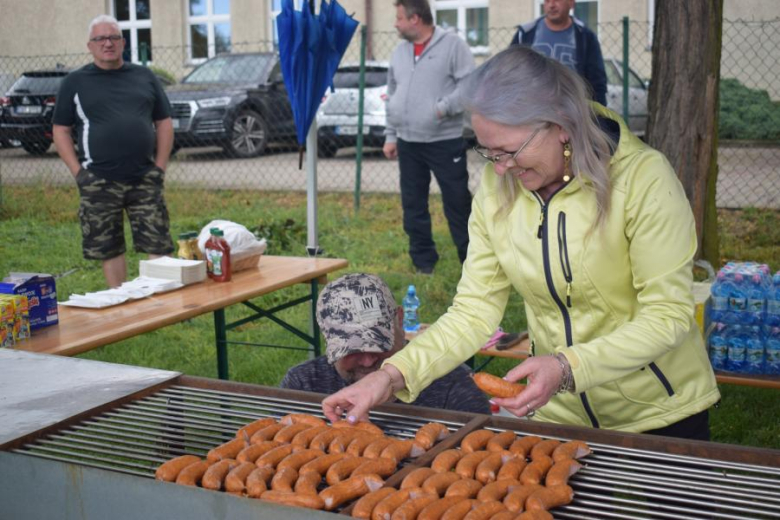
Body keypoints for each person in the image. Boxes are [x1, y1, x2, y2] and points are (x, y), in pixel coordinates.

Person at [323, 46, 721, 440]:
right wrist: (392, 376)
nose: (500, 169)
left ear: (561, 124)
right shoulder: (499, 186)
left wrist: (566, 367)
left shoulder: (643, 179)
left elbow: (667, 315)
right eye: (489, 153)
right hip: (558, 414)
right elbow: (474, 310)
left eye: (509, 151)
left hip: (660, 409)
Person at [52, 14, 174, 288]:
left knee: (158, 242)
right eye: (100, 39)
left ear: (123, 42)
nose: (107, 43)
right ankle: (120, 301)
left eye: (113, 37)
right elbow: (60, 130)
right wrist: (79, 173)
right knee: (109, 248)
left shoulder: (144, 76)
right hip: (98, 179)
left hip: (145, 177)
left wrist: (160, 167)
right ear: (90, 46)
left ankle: (162, 304)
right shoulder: (75, 82)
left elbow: (164, 123)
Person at [281, 273, 490, 415]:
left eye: (379, 344)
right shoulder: (303, 383)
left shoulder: (455, 384)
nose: (367, 360)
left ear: (400, 319)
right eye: (352, 349)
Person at [383, 0, 475, 274]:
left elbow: (470, 85)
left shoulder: (453, 46)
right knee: (413, 204)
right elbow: (392, 94)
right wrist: (390, 135)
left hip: (445, 141)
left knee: (458, 203)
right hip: (407, 142)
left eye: (399, 18)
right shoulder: (399, 52)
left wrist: (441, 109)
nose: (395, 24)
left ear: (415, 19)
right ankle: (423, 263)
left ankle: (472, 262)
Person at [510, 0, 607, 106]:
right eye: (547, 1)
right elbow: (510, 72)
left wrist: (597, 113)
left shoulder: (585, 37)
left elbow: (597, 82)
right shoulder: (525, 34)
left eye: (557, 0)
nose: (551, 5)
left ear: (571, 3)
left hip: (571, 109)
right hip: (532, 108)